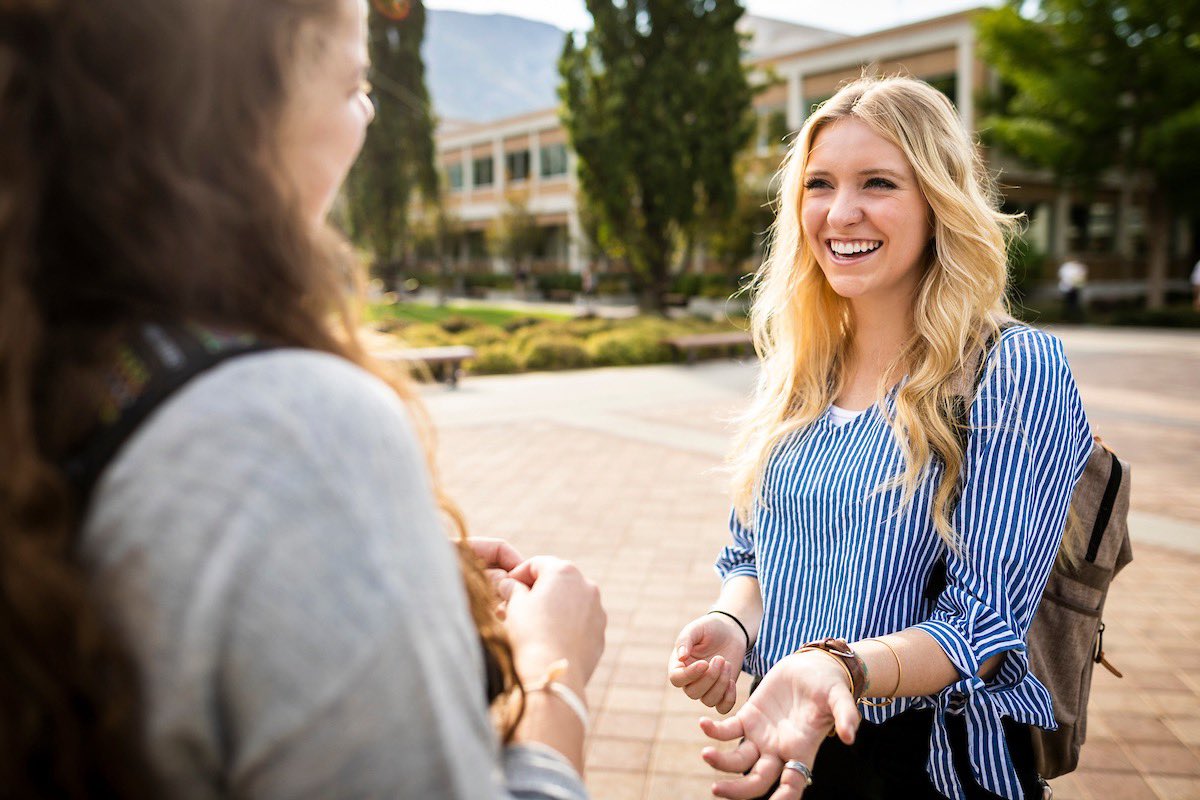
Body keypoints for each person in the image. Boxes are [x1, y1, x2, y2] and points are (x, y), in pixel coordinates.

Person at [1, 0, 604, 798]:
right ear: (239, 113)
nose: (368, 119)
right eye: (355, 85)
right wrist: (553, 675)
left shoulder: (53, 362)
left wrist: (358, 581)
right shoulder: (291, 436)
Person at [667, 77, 1091, 800]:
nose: (841, 212)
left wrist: (842, 667)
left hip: (928, 767)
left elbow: (985, 623)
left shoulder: (1012, 369)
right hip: (787, 738)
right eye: (820, 184)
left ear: (938, 201)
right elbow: (752, 555)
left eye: (878, 183)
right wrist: (731, 622)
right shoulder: (801, 368)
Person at [1057, 256, 1088, 321]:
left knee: (1074, 302)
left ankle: (1073, 316)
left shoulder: (1080, 267)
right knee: (1068, 302)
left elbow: (1082, 276)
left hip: (1076, 287)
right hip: (1067, 287)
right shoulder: (1067, 267)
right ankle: (1067, 316)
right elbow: (1063, 276)